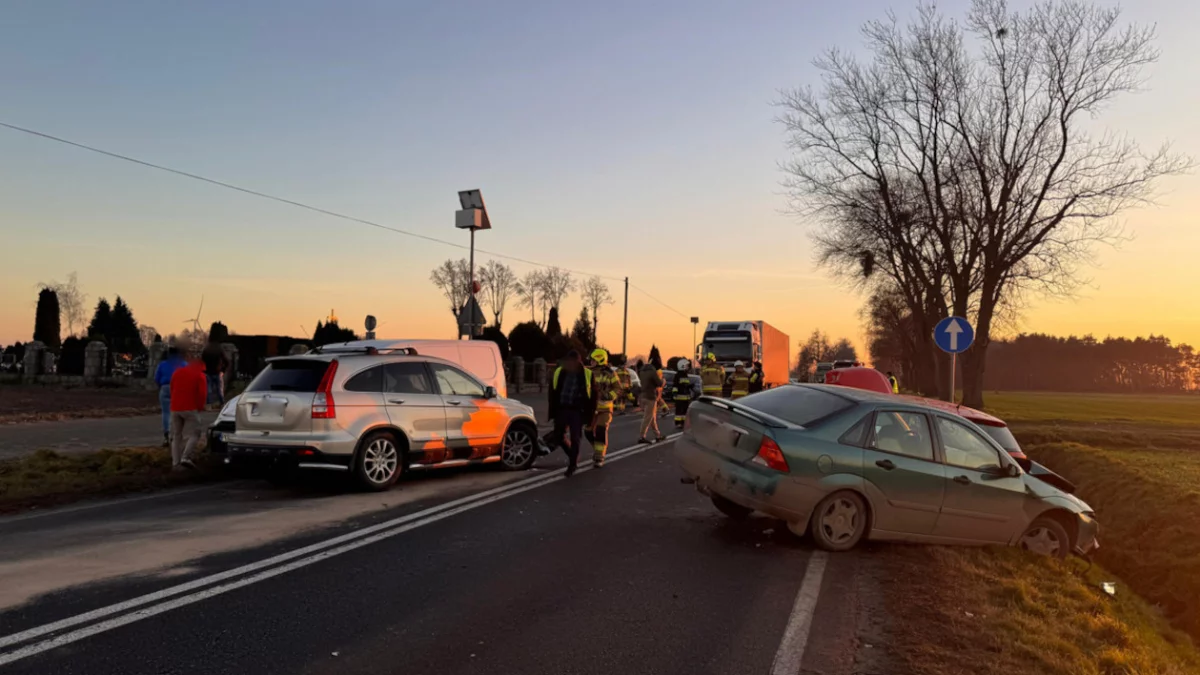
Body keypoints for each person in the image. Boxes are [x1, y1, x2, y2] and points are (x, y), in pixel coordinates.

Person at [547, 350, 597, 477]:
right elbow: (552, 391)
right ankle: (572, 454)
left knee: (575, 438)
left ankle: (572, 464)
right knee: (558, 436)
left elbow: (593, 396)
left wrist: (589, 415)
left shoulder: (587, 374)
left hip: (577, 410)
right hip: (562, 408)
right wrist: (552, 410)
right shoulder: (560, 372)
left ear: (578, 362)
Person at [169, 352, 208, 470]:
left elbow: (172, 388)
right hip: (190, 407)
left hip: (175, 407)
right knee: (196, 433)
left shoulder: (177, 372)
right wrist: (200, 407)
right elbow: (202, 394)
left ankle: (175, 463)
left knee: (176, 435)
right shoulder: (200, 375)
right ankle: (185, 457)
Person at [584, 349, 621, 468]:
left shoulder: (610, 373)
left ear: (600, 359)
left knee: (600, 430)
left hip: (605, 408)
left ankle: (599, 457)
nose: (591, 362)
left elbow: (618, 389)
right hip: (591, 408)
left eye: (593, 360)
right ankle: (598, 449)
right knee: (588, 431)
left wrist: (608, 396)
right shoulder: (589, 372)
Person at [153, 347, 187, 446]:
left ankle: (167, 434)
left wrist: (161, 386)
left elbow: (156, 378)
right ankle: (177, 434)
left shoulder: (162, 364)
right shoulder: (183, 364)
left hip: (165, 387)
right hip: (179, 388)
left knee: (166, 412)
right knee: (179, 412)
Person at [637, 358, 665, 444]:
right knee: (648, 418)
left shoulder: (642, 372)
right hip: (651, 397)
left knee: (652, 418)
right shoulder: (652, 372)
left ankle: (658, 435)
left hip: (643, 396)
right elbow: (659, 383)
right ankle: (642, 436)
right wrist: (663, 381)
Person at [200, 340, 229, 409]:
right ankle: (222, 404)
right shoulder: (219, 350)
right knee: (219, 389)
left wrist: (203, 371)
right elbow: (226, 361)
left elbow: (202, 361)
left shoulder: (206, 350)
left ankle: (209, 405)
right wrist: (223, 370)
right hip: (217, 371)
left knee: (209, 390)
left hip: (209, 372)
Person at [671, 358, 695, 430]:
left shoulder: (685, 375)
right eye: (686, 366)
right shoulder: (678, 375)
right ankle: (678, 423)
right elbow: (675, 385)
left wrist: (690, 386)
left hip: (686, 397)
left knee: (685, 411)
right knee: (679, 411)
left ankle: (683, 423)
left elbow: (685, 385)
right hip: (679, 397)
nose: (688, 367)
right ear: (682, 366)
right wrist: (675, 393)